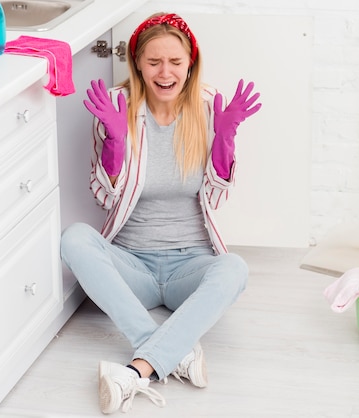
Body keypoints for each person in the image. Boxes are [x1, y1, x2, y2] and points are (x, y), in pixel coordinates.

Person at [60, 12, 262, 414]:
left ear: (191, 64)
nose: (165, 72)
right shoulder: (117, 106)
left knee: (235, 268)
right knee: (75, 239)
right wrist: (114, 145)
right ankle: (172, 350)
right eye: (154, 62)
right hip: (132, 263)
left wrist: (224, 141)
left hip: (190, 264)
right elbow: (104, 196)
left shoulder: (208, 108)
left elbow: (217, 199)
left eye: (175, 62)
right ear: (137, 62)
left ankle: (139, 368)